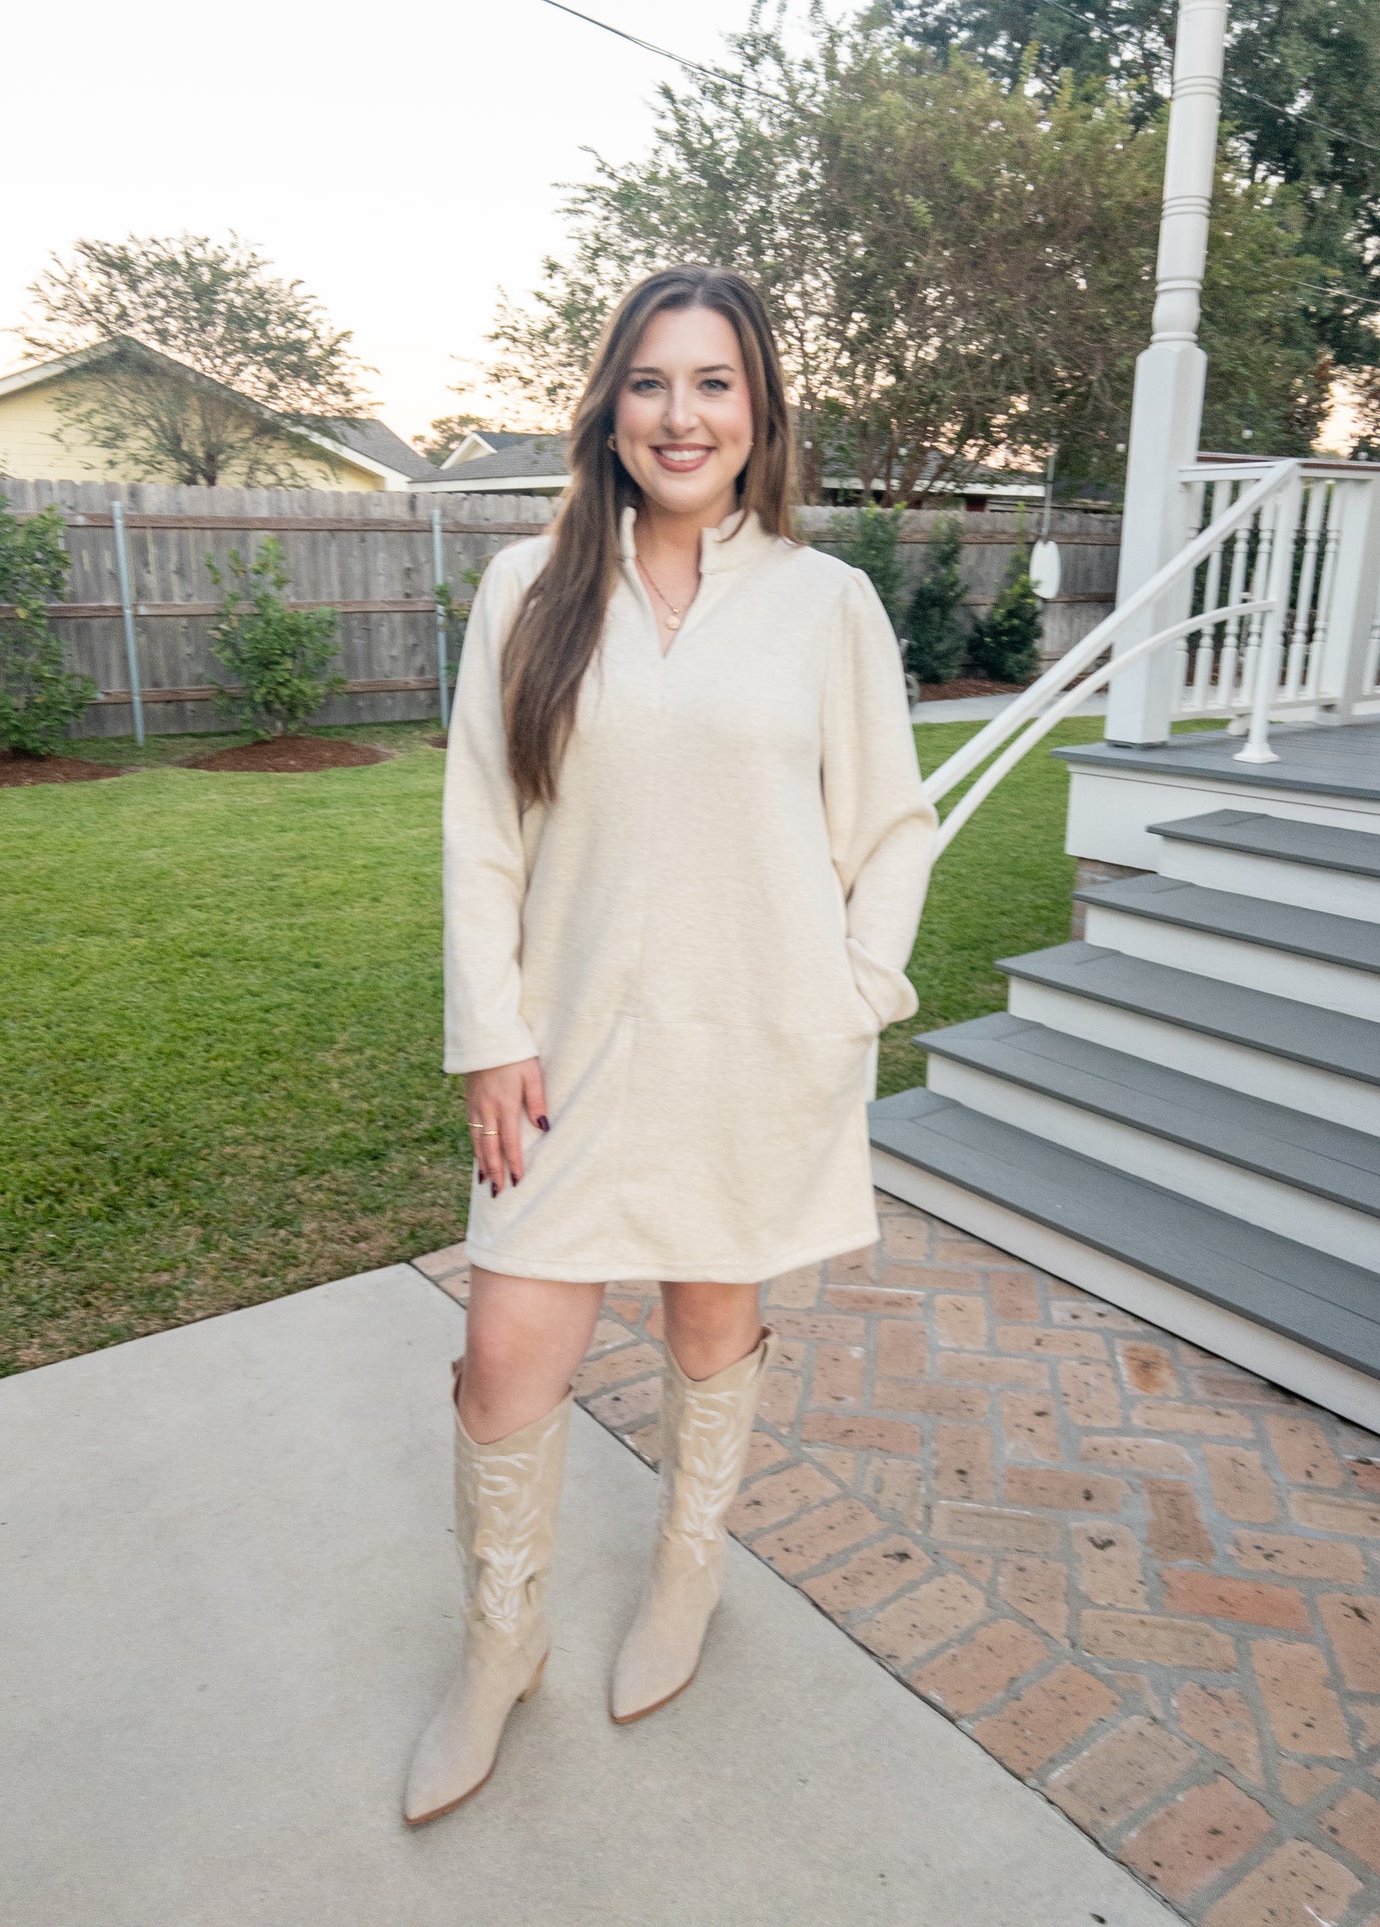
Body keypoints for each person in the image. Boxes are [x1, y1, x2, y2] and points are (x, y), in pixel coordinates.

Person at [403, 263, 939, 1825]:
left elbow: (889, 827)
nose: (680, 413)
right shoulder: (532, 586)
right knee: (507, 1354)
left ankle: (687, 1572)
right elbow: (479, 833)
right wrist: (487, 1036)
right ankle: (499, 1647)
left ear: (757, 409)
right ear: (609, 407)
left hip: (754, 1041)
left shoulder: (823, 603)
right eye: (650, 381)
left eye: (713, 382)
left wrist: (857, 988)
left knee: (713, 1317)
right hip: (564, 1055)